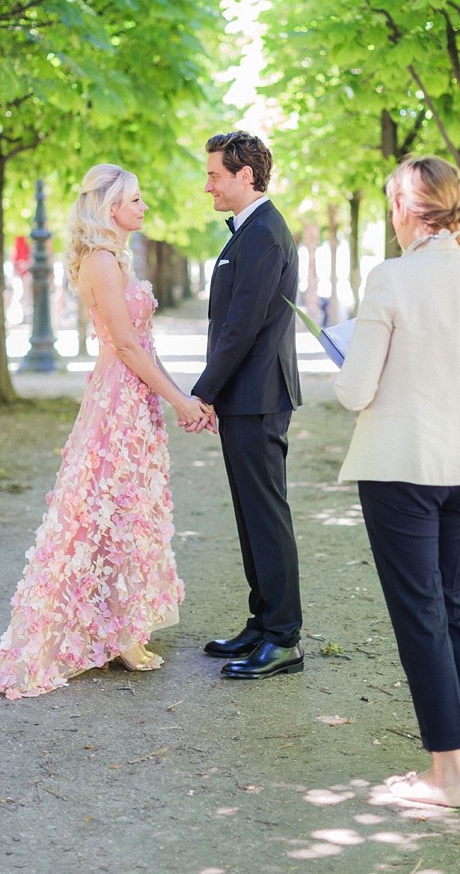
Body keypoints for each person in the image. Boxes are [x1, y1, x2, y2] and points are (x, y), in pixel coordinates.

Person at [334, 156, 460, 809]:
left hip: (402, 464)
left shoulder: (392, 279)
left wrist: (345, 360)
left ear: (408, 208)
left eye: (392, 203)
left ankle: (444, 777)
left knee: (421, 615)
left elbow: (356, 391)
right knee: (455, 606)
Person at [0, 165, 204, 699]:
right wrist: (180, 400)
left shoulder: (113, 258)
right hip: (119, 398)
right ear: (111, 208)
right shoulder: (103, 261)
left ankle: (120, 621)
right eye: (135, 198)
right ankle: (119, 633)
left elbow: (140, 348)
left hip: (131, 396)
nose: (144, 206)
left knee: (126, 508)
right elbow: (129, 348)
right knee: (112, 507)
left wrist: (174, 397)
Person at [193, 130, 305, 680]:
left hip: (258, 395)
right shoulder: (251, 231)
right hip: (246, 394)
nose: (208, 184)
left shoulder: (263, 234)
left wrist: (202, 390)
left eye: (215, 174)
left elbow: (241, 328)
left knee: (266, 514)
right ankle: (262, 623)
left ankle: (284, 637)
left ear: (245, 175)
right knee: (250, 514)